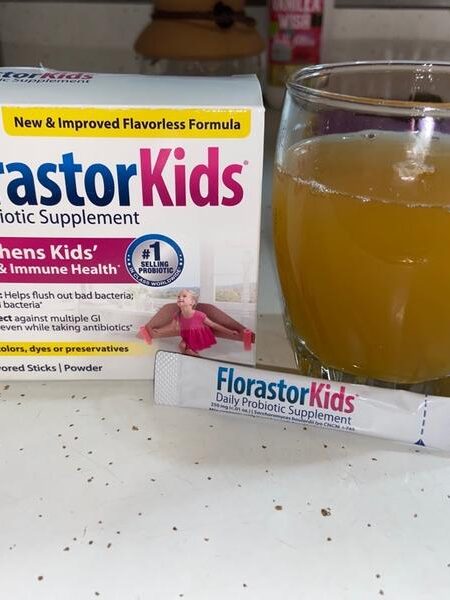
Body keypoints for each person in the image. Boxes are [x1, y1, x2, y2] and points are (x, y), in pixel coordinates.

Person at [153, 289, 240, 356]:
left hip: (199, 337)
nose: (180, 298)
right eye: (178, 296)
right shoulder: (178, 314)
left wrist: (230, 332)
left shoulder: (199, 315)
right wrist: (159, 330)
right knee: (182, 346)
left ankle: (195, 359)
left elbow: (213, 324)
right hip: (187, 336)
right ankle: (189, 358)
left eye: (184, 296)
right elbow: (172, 327)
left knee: (187, 349)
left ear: (192, 302)